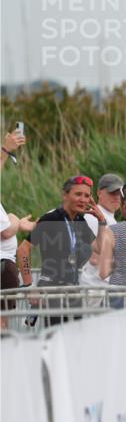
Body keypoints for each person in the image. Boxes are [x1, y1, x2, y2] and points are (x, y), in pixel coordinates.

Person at [16, 176, 109, 325]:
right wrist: (29, 286)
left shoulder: (80, 221)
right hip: (51, 289)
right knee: (54, 340)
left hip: (72, 289)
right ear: (65, 195)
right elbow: (23, 249)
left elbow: (98, 248)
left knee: (74, 340)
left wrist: (102, 221)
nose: (83, 200)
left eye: (86, 195)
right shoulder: (51, 219)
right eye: (78, 194)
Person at [1, 131, 35, 316]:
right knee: (3, 322)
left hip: (5, 265)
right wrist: (15, 220)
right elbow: (5, 231)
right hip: (2, 266)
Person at [79, 173, 123, 287]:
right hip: (94, 287)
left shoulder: (110, 219)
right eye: (112, 192)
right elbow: (95, 258)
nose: (117, 197)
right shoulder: (93, 218)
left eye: (119, 193)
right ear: (99, 193)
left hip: (104, 287)